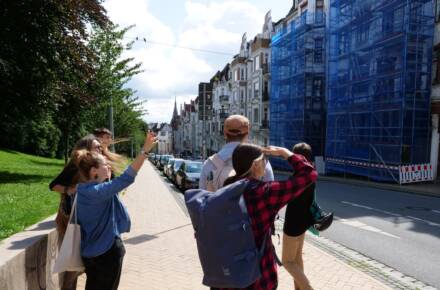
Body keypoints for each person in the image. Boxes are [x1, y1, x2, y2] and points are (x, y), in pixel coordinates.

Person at [214, 143, 317, 290]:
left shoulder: (226, 187)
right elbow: (309, 174)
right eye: (264, 160)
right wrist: (285, 153)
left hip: (230, 274)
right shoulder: (264, 192)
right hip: (259, 277)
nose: (265, 164)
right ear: (256, 165)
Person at [73, 131, 157, 290]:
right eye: (105, 164)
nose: (109, 165)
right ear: (94, 171)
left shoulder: (81, 190)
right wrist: (145, 151)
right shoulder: (99, 192)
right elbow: (128, 177)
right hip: (107, 253)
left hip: (89, 254)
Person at [49, 134, 103, 290]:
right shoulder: (77, 164)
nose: (100, 149)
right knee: (74, 265)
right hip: (74, 220)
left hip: (90, 220)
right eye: (96, 146)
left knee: (86, 265)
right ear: (86, 148)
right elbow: (53, 185)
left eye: (100, 146)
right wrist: (70, 189)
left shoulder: (98, 164)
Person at [199, 115, 274, 191]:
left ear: (225, 134)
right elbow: (270, 192)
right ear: (247, 134)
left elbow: (201, 198)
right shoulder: (260, 160)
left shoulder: (209, 163)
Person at [282, 142, 317, 290]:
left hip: (293, 224)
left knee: (287, 262)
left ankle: (308, 288)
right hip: (303, 222)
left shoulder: (298, 178)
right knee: (296, 258)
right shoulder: (311, 174)